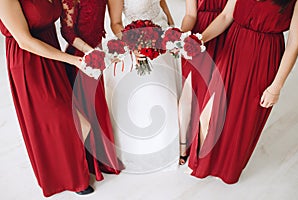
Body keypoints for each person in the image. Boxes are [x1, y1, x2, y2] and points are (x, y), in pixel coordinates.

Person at [189, 0, 298, 184]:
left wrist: (276, 86)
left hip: (263, 56)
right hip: (232, 46)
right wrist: (199, 40)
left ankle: (226, 168)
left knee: (239, 118)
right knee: (208, 113)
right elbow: (225, 16)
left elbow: (294, 43)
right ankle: (203, 163)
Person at [0, 0, 95, 196]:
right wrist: (75, 60)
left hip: (53, 56)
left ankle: (72, 170)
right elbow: (24, 41)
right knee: (62, 120)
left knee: (77, 121)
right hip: (29, 62)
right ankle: (70, 178)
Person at [106, 0, 182, 173]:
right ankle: (148, 149)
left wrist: (171, 25)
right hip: (139, 43)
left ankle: (170, 145)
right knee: (151, 95)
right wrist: (134, 45)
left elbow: (161, 2)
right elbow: (115, 23)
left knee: (167, 94)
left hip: (163, 39)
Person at [60, 0, 123, 181]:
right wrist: (92, 53)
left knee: (96, 106)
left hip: (96, 52)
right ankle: (88, 162)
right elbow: (67, 32)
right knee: (88, 108)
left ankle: (100, 158)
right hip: (81, 57)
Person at [179, 0, 228, 165]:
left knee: (214, 92)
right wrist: (183, 36)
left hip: (226, 33)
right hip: (199, 34)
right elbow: (190, 14)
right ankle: (183, 144)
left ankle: (206, 144)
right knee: (188, 91)